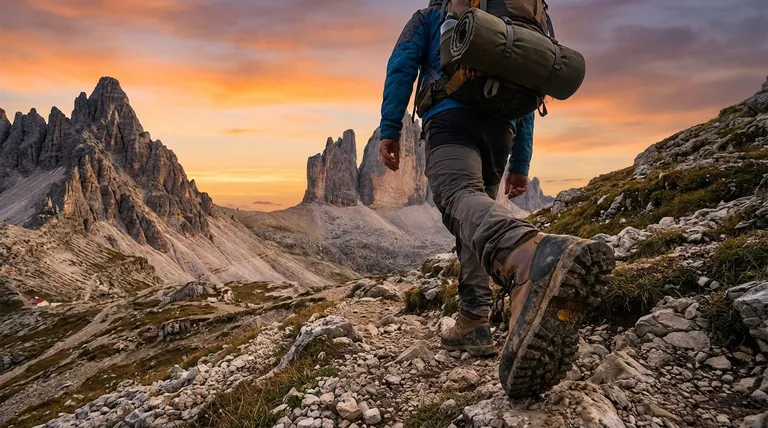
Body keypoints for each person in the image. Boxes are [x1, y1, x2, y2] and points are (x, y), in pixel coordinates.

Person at [378, 0, 616, 398]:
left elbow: (402, 65)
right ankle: (474, 321)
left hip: (451, 118)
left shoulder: (433, 13)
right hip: (501, 131)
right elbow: (530, 85)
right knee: (475, 217)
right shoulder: (523, 15)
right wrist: (521, 161)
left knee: (458, 197)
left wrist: (389, 127)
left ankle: (528, 255)